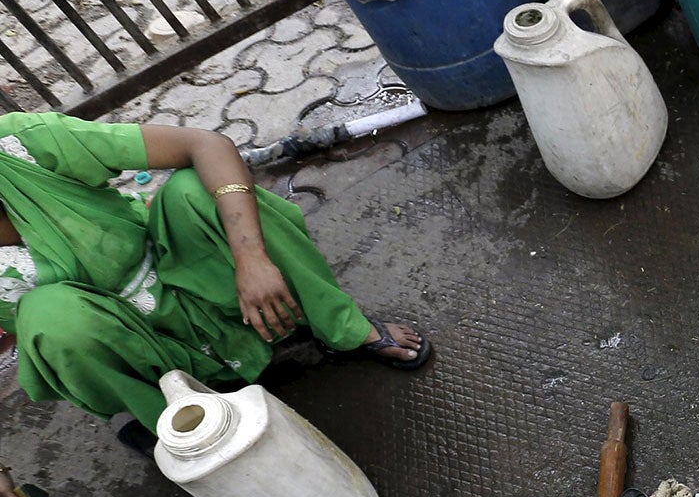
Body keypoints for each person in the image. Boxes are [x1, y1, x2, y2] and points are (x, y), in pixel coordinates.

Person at [0, 111, 428, 451]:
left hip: (185, 275)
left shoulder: (21, 142)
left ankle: (341, 326)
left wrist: (251, 258)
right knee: (50, 318)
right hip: (117, 345)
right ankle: (172, 422)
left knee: (194, 190)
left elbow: (204, 144)